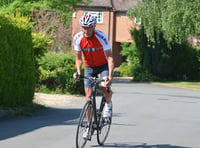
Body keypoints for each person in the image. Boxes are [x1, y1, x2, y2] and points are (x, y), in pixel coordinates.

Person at [73, 13, 114, 119]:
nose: (86, 30)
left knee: (104, 86)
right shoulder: (77, 38)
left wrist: (110, 76)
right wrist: (78, 71)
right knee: (88, 97)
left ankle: (108, 104)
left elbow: (110, 58)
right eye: (84, 27)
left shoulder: (102, 37)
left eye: (88, 27)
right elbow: (78, 58)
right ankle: (88, 126)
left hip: (103, 65)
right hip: (89, 67)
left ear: (94, 27)